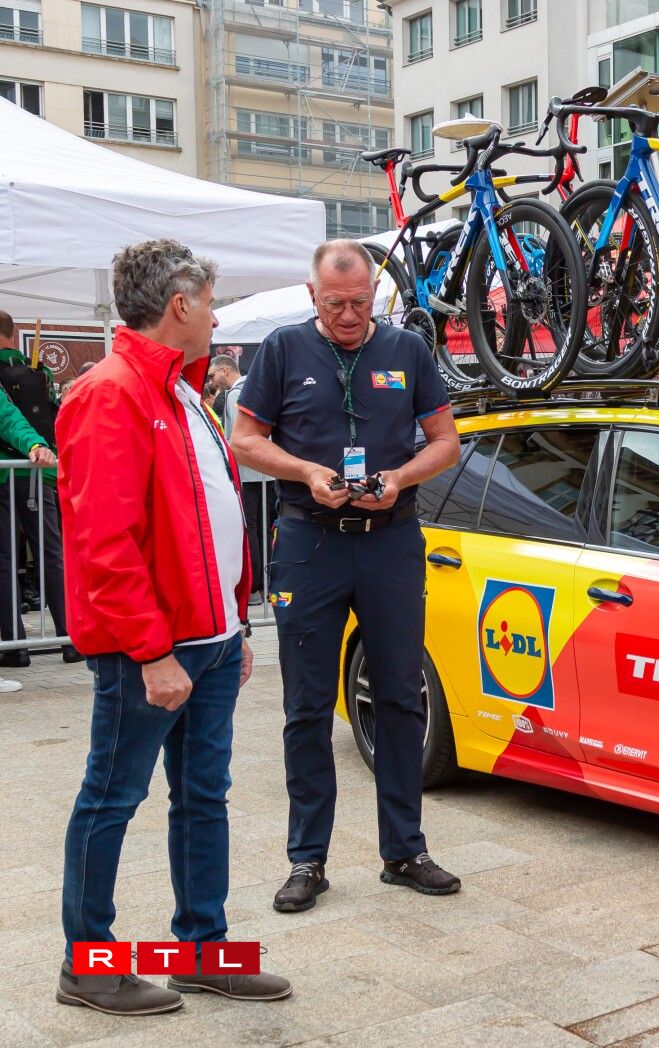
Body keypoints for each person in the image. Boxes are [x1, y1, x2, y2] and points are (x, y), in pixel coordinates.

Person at [55, 240, 290, 1015]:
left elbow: (205, 516)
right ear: (180, 305)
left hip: (209, 640)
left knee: (203, 798)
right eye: (211, 303)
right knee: (111, 799)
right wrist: (153, 652)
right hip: (153, 651)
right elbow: (104, 542)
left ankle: (203, 954)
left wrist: (233, 623)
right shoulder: (110, 393)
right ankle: (88, 966)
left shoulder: (180, 392)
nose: (217, 319)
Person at [231, 240, 461, 914]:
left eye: (361, 302)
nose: (350, 315)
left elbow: (445, 441)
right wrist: (305, 471)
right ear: (313, 295)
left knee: (400, 696)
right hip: (310, 543)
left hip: (391, 541)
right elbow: (245, 439)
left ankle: (405, 850)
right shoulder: (282, 350)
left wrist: (400, 478)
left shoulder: (407, 350)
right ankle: (307, 859)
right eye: (336, 304)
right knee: (306, 705)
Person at [0, 309, 69, 672]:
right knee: (51, 554)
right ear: (14, 334)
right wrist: (37, 447)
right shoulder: (36, 371)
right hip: (37, 472)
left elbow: (8, 417)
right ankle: (69, 638)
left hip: (12, 472)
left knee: (5, 559)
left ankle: (15, 646)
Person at [212, 354, 269, 608]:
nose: (212, 380)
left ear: (225, 370)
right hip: (265, 474)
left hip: (249, 474)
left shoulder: (237, 394)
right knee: (262, 528)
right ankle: (264, 582)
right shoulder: (254, 388)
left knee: (252, 528)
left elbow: (238, 440)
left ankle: (255, 585)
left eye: (213, 374)